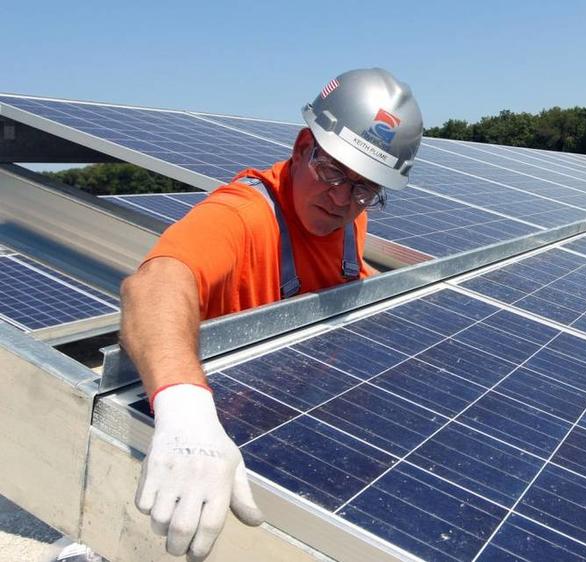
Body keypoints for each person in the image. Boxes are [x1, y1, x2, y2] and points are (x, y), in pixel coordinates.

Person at [118, 68, 422, 561]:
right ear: (304, 146)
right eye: (333, 172)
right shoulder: (242, 215)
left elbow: (346, 270)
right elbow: (153, 286)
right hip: (200, 440)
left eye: (365, 188)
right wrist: (185, 413)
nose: (342, 200)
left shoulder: (350, 217)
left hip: (274, 419)